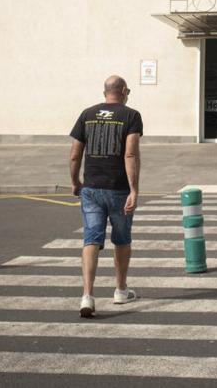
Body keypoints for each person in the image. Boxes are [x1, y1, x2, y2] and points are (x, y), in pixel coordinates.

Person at [69, 75, 143, 318]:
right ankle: (120, 290)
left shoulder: (86, 114)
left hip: (91, 188)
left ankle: (87, 296)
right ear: (123, 90)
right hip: (119, 189)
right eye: (128, 90)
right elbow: (130, 155)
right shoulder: (131, 116)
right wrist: (134, 189)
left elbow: (74, 155)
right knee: (121, 240)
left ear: (105, 92)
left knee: (91, 239)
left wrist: (75, 182)